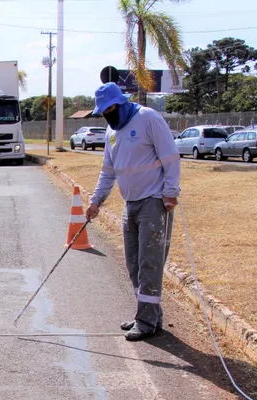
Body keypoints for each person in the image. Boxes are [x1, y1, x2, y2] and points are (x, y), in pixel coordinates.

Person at [86, 82, 180, 342]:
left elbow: (170, 157)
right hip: (130, 203)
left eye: (111, 108)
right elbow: (108, 171)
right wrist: (96, 201)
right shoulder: (111, 131)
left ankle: (146, 322)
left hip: (154, 201)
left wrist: (170, 192)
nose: (108, 114)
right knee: (133, 264)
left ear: (121, 102)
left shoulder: (148, 118)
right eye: (104, 111)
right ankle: (148, 314)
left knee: (149, 263)